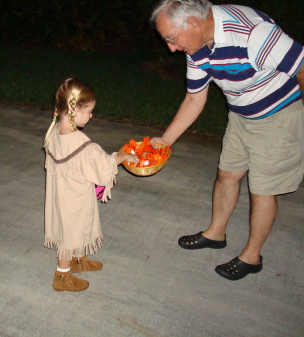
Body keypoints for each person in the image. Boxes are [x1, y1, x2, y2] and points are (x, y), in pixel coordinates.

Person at [149, 0, 303, 280]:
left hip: (280, 114)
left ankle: (251, 256)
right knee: (227, 175)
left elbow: (303, 67)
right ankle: (216, 233)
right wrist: (165, 141)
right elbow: (195, 98)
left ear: (193, 23)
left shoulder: (252, 33)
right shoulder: (196, 46)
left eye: (171, 39)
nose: (171, 48)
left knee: (262, 189)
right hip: (241, 113)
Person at [43, 78, 139, 291]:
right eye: (89, 111)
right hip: (73, 200)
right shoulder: (82, 144)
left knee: (76, 228)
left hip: (63, 195)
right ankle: (62, 276)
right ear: (75, 109)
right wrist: (123, 156)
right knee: (69, 234)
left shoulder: (55, 131)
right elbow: (103, 166)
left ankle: (78, 259)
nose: (91, 115)